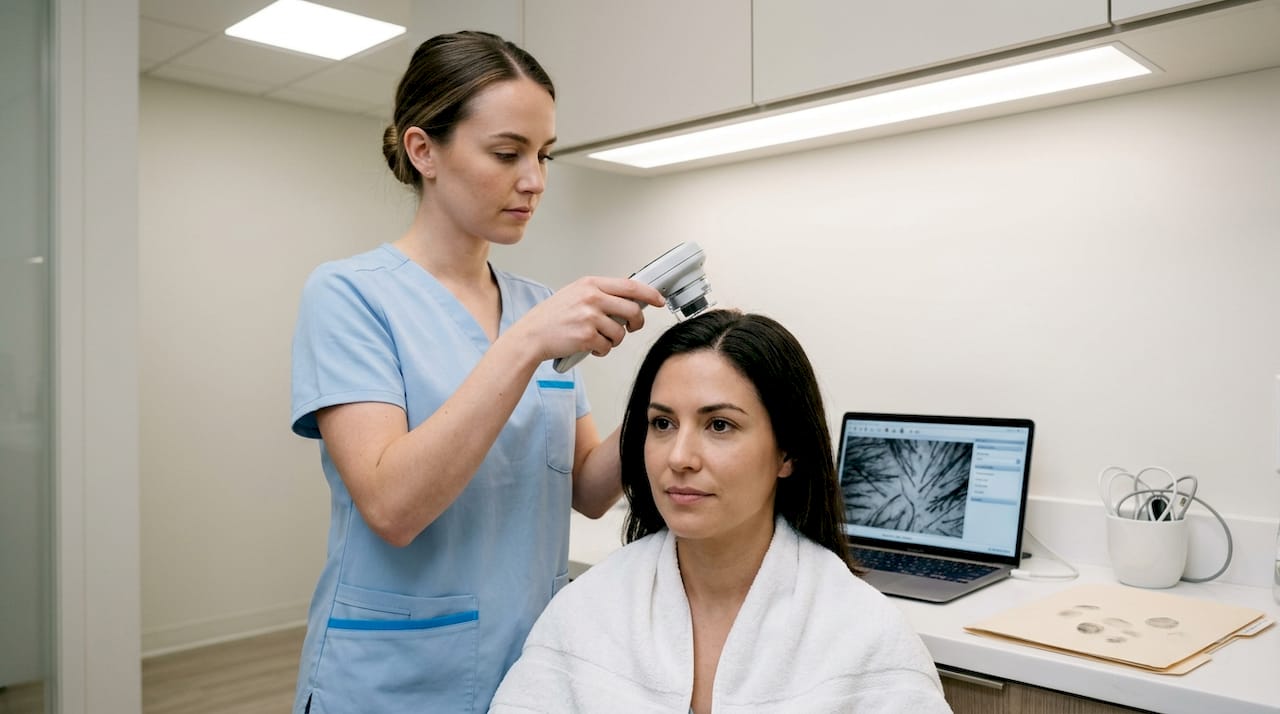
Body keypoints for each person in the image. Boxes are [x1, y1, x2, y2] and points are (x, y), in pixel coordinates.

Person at [288, 31, 664, 714]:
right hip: (392, 679)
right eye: (507, 153)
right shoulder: (348, 296)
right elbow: (391, 507)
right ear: (423, 149)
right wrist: (523, 347)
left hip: (530, 665)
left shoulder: (534, 306)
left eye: (544, 155)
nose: (535, 180)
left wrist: (665, 387)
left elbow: (587, 488)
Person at [491, 310, 953, 713]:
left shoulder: (864, 633)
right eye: (662, 423)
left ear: (787, 454)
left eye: (719, 425)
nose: (680, 457)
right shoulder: (587, 612)